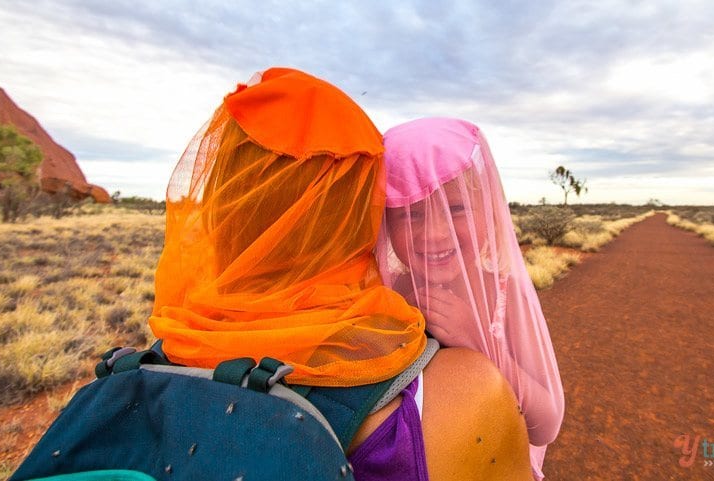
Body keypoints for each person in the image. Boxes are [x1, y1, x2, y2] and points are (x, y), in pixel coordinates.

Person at [149, 69, 533, 480]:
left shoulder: (164, 351)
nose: (431, 230)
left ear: (223, 202)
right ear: (360, 211)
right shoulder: (462, 392)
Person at [376, 117, 565, 480]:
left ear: (488, 212)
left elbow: (547, 425)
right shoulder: (386, 296)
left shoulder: (504, 297)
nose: (434, 232)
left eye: (457, 209)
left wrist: (478, 342)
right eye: (411, 214)